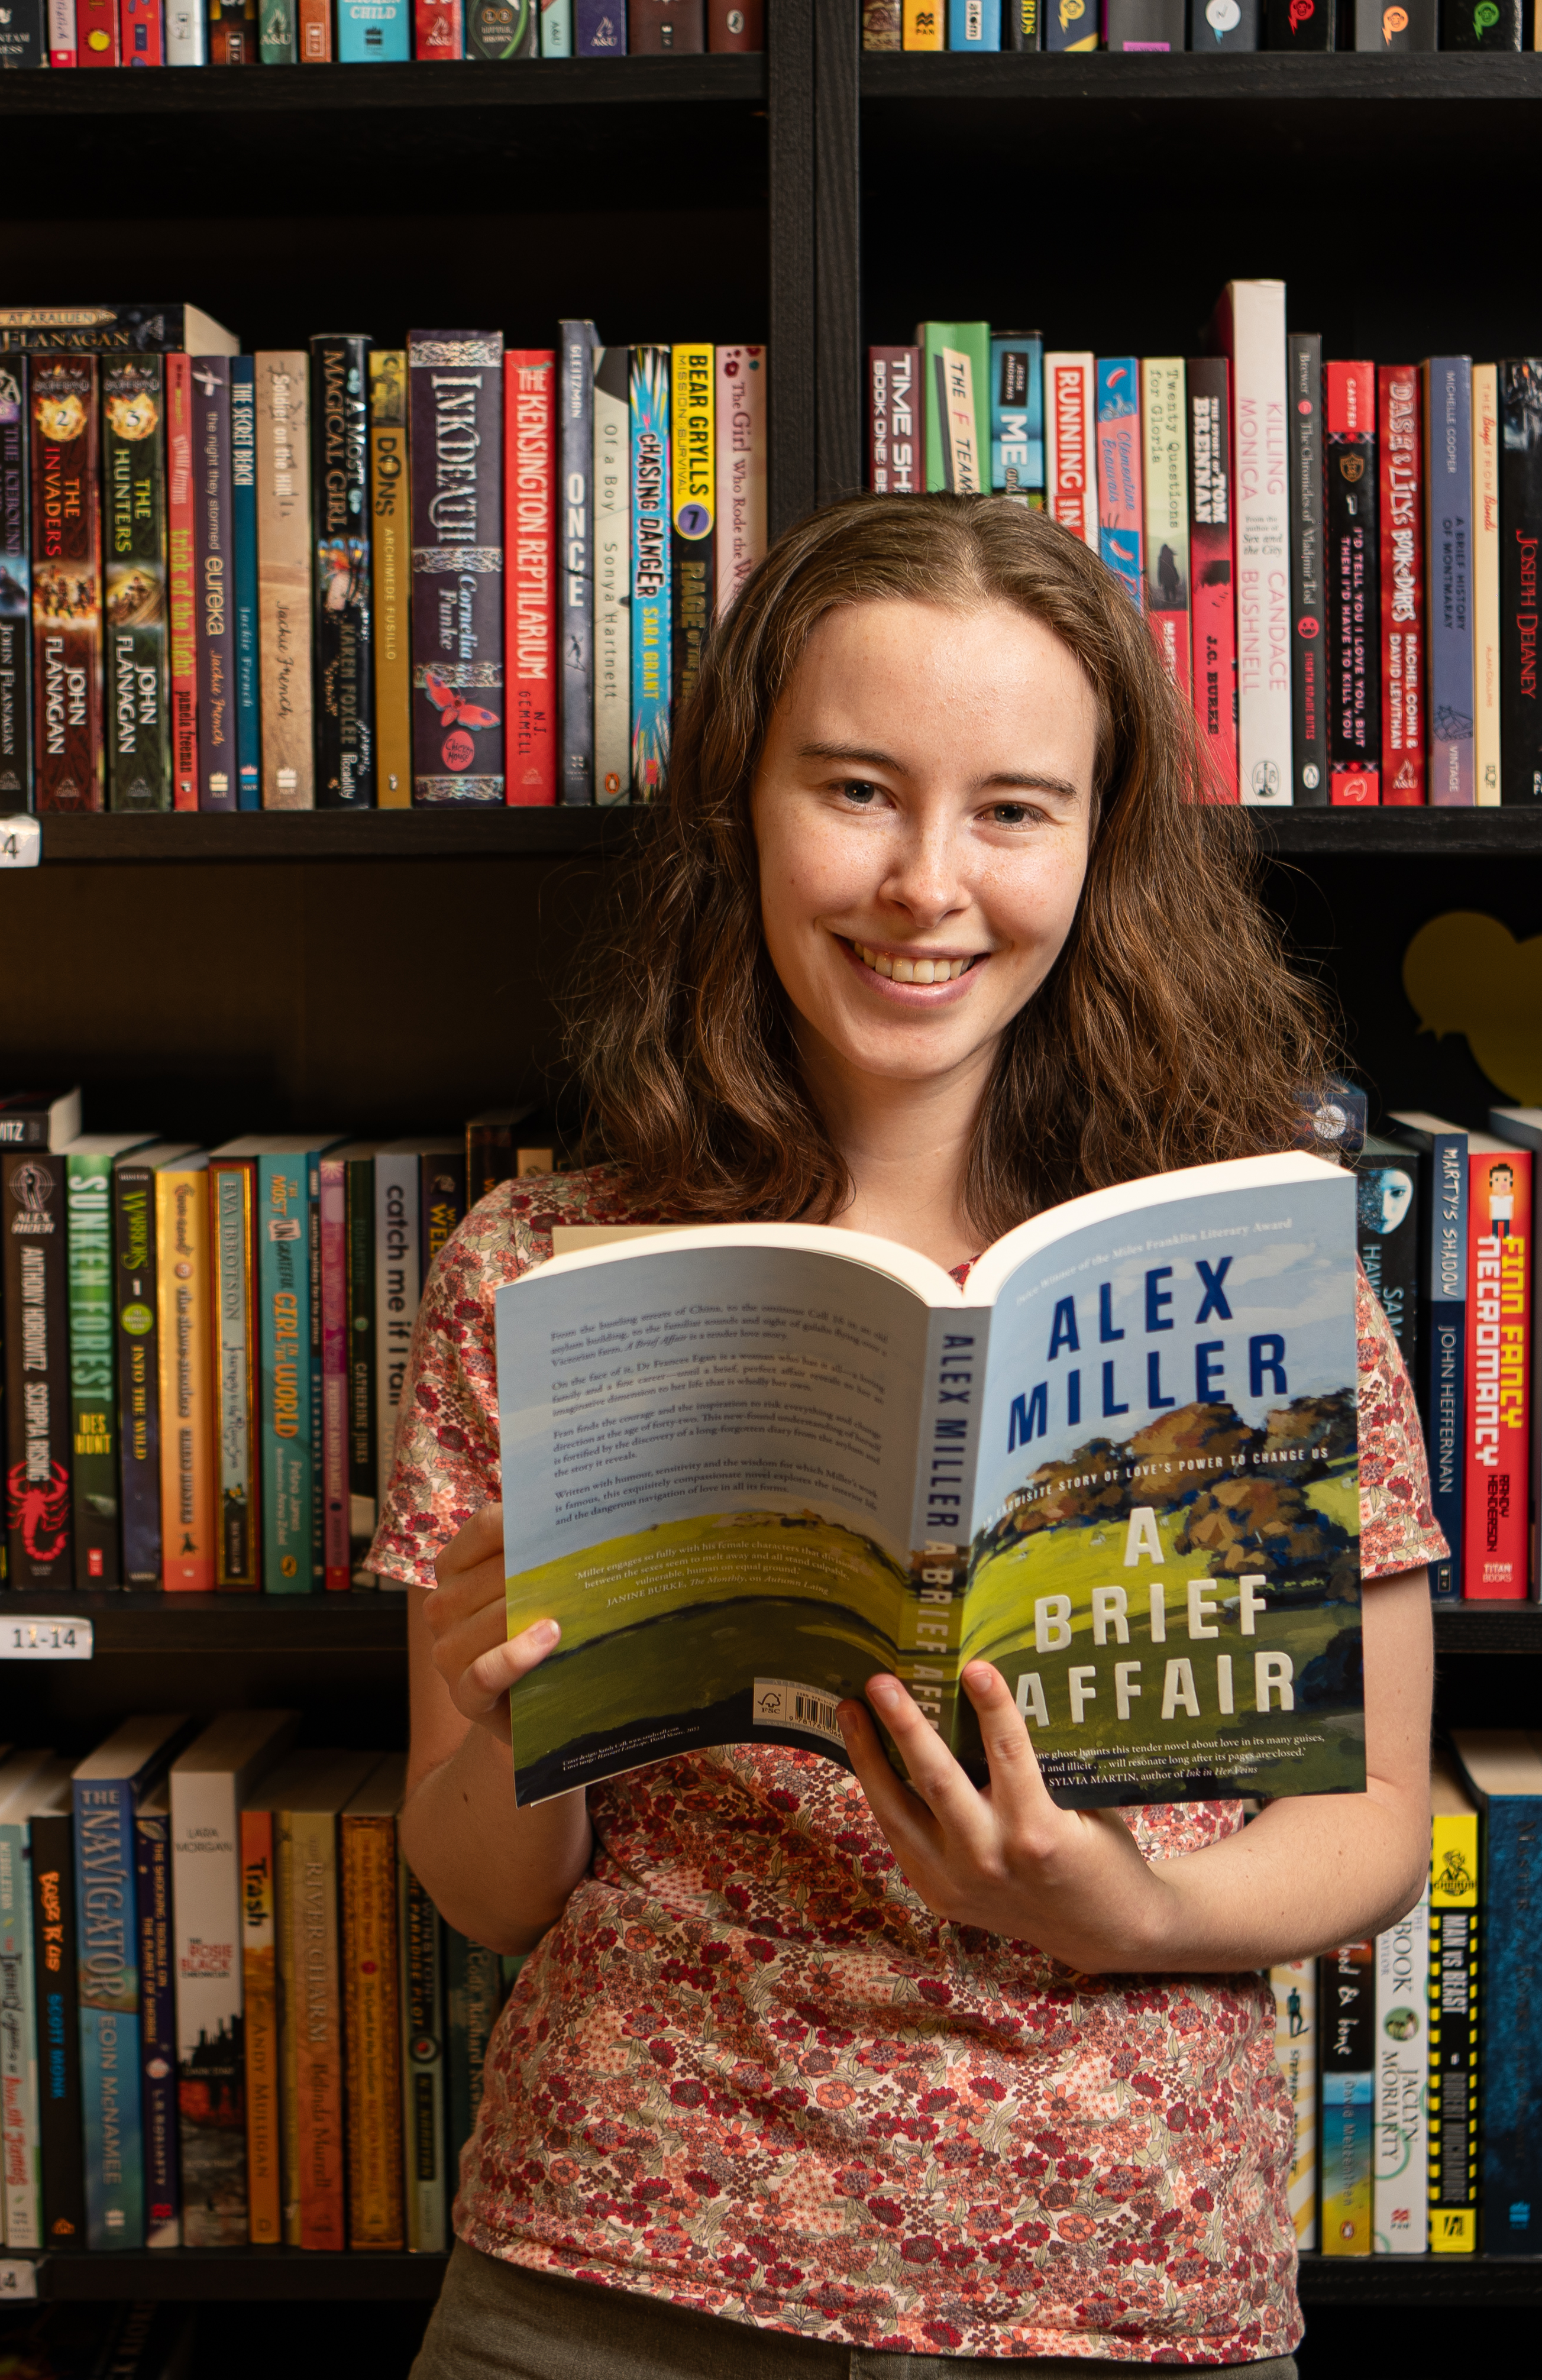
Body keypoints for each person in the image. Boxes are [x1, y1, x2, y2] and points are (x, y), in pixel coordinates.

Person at [379, 496, 1446, 2376]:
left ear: (1103, 847)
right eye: (858, 791)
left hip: (1120, 2284)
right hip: (617, 2268)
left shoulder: (1260, 1281)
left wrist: (1132, 1907)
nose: (924, 885)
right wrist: (503, 1713)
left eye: (1013, 810)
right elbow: (483, 1889)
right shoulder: (536, 1268)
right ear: (743, 809)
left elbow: (1368, 1825)